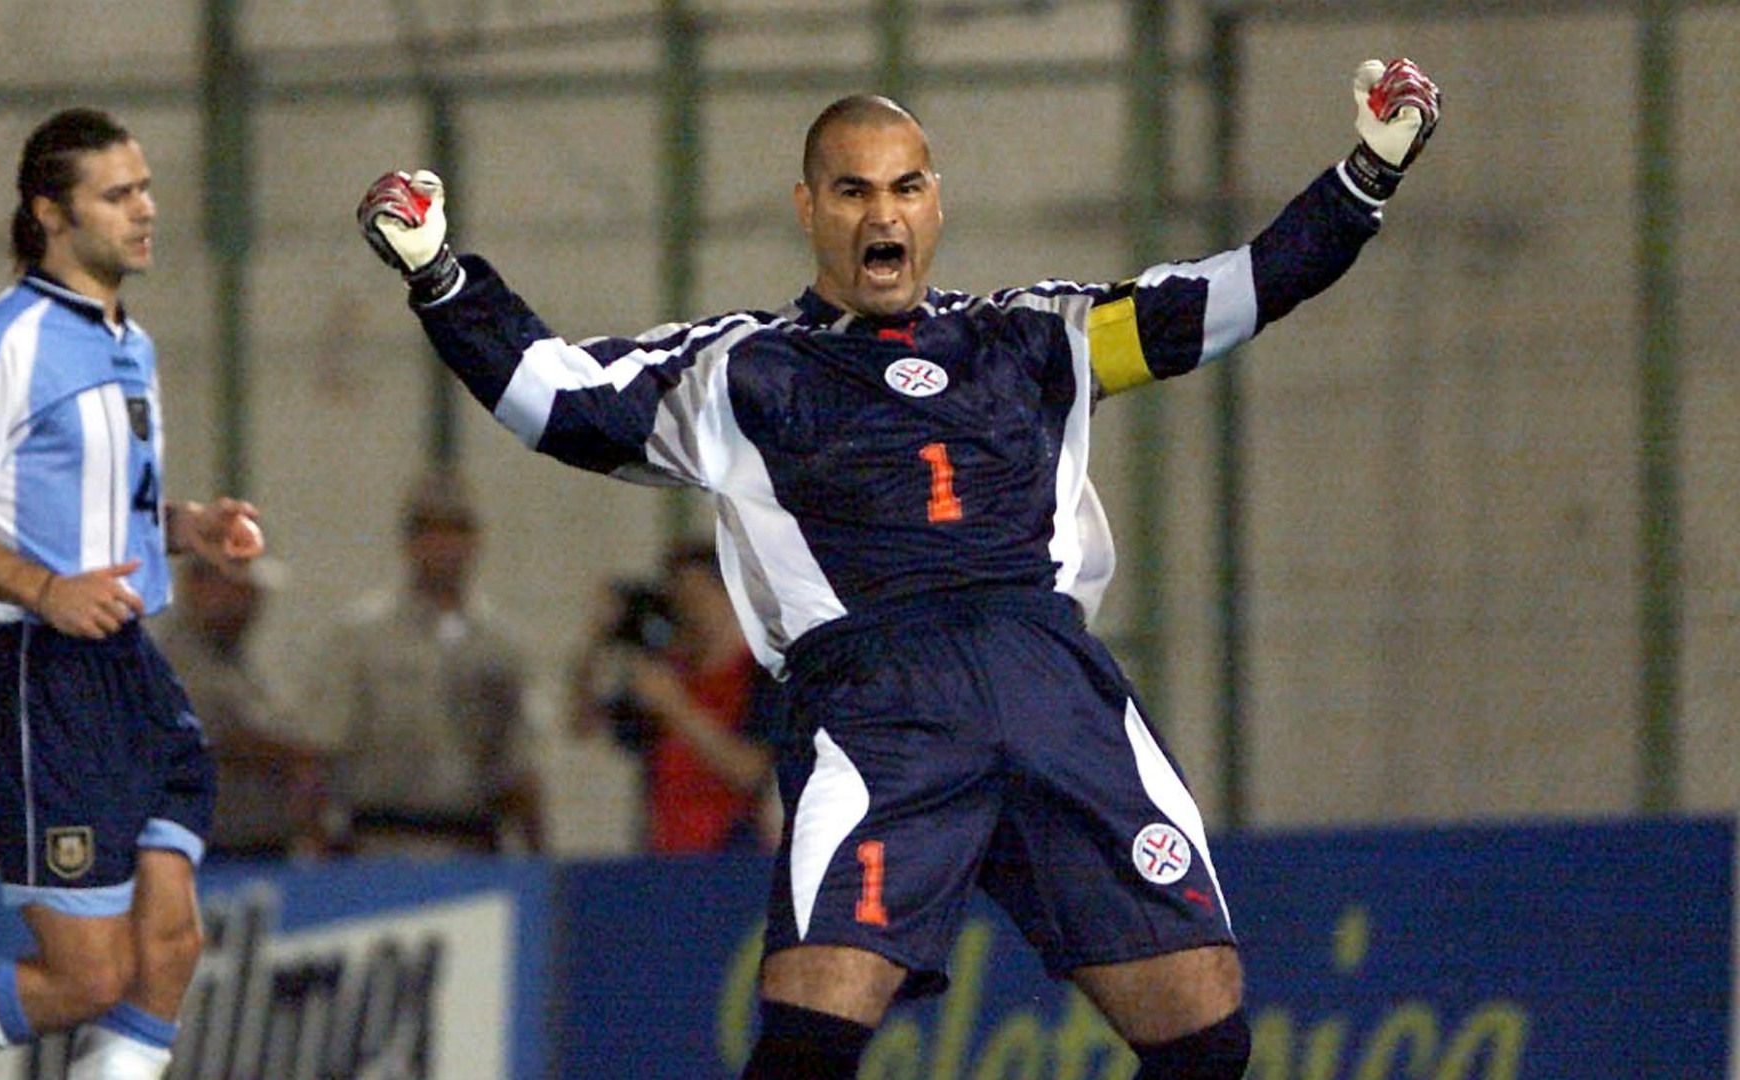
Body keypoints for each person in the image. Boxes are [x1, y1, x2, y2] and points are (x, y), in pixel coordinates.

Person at [356, 57, 1441, 1080]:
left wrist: (1369, 172)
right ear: (807, 208)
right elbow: (556, 400)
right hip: (881, 703)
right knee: (810, 1042)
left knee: (1206, 1035)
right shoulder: (743, 370)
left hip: (1052, 686)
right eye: (852, 191)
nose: (882, 214)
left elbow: (1230, 295)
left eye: (905, 187)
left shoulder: (1037, 337)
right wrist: (443, 277)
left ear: (935, 203)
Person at [0, 108, 266, 1080]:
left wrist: (186, 529)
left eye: (146, 187)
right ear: (50, 213)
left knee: (172, 949)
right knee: (88, 977)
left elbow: (98, 515)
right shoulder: (4, 341)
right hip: (38, 675)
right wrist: (44, 589)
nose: (146, 210)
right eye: (119, 194)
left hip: (129, 671)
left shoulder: (130, 343)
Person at [308, 469, 546, 856]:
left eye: (456, 532)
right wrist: (317, 851)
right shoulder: (363, 637)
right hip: (377, 842)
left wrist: (537, 856)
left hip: (472, 842)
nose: (444, 546)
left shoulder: (499, 645)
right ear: (409, 542)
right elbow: (321, 751)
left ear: (474, 541)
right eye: (430, 532)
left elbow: (521, 761)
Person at [569, 541, 786, 854]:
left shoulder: (762, 677)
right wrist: (597, 642)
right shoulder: (667, 674)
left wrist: (677, 709)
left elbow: (753, 772)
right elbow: (583, 723)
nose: (688, 612)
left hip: (733, 851)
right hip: (664, 850)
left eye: (697, 598)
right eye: (680, 600)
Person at [151, 554, 329, 863]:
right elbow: (217, 736)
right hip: (205, 850)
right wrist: (295, 758)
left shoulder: (242, 663)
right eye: (233, 588)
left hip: (258, 847)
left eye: (251, 591)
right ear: (195, 586)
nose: (245, 603)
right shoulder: (173, 658)